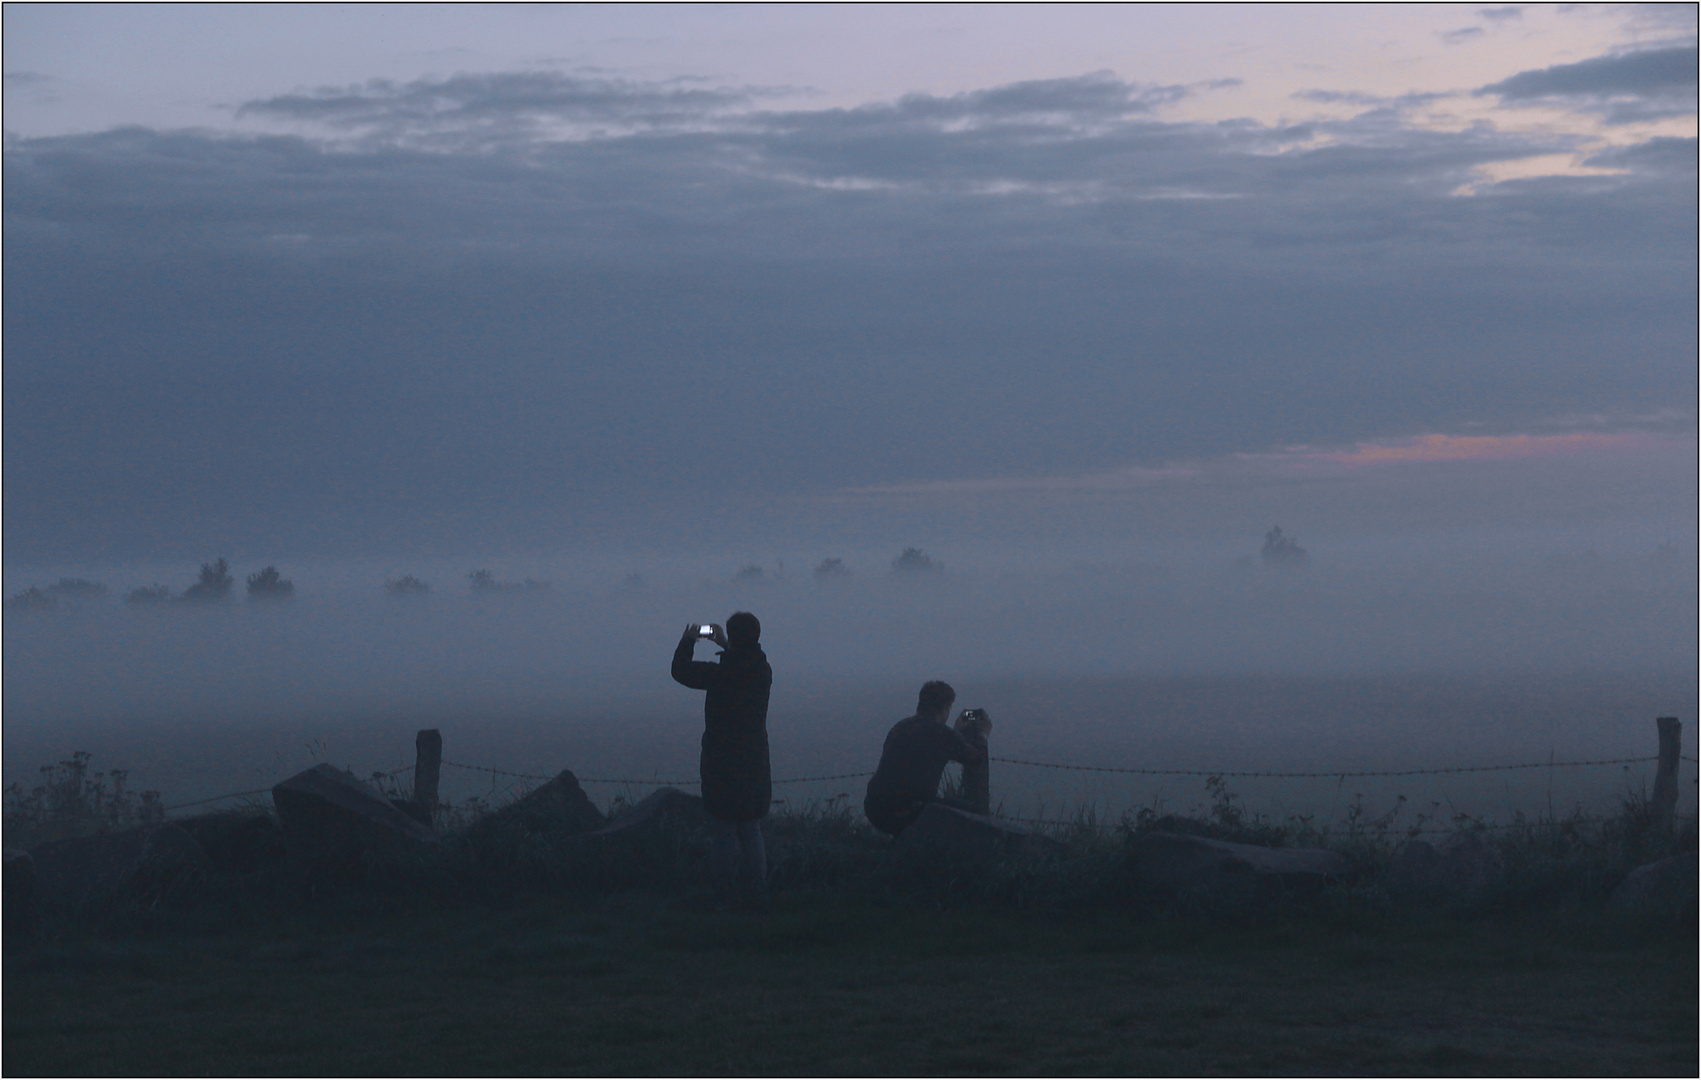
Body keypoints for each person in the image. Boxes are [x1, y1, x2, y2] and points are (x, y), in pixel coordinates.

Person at [672, 611, 772, 903]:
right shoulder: (763, 671)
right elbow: (745, 662)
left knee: (724, 830)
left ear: (733, 636)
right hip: (754, 760)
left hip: (722, 762)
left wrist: (688, 639)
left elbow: (680, 670)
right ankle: (757, 893)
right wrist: (728, 646)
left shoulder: (720, 675)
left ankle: (722, 896)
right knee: (751, 828)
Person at [863, 680, 991, 836]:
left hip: (874, 808)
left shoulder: (900, 727)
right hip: (907, 811)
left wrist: (955, 732)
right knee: (974, 813)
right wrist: (982, 734)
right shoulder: (941, 734)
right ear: (946, 707)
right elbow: (977, 759)